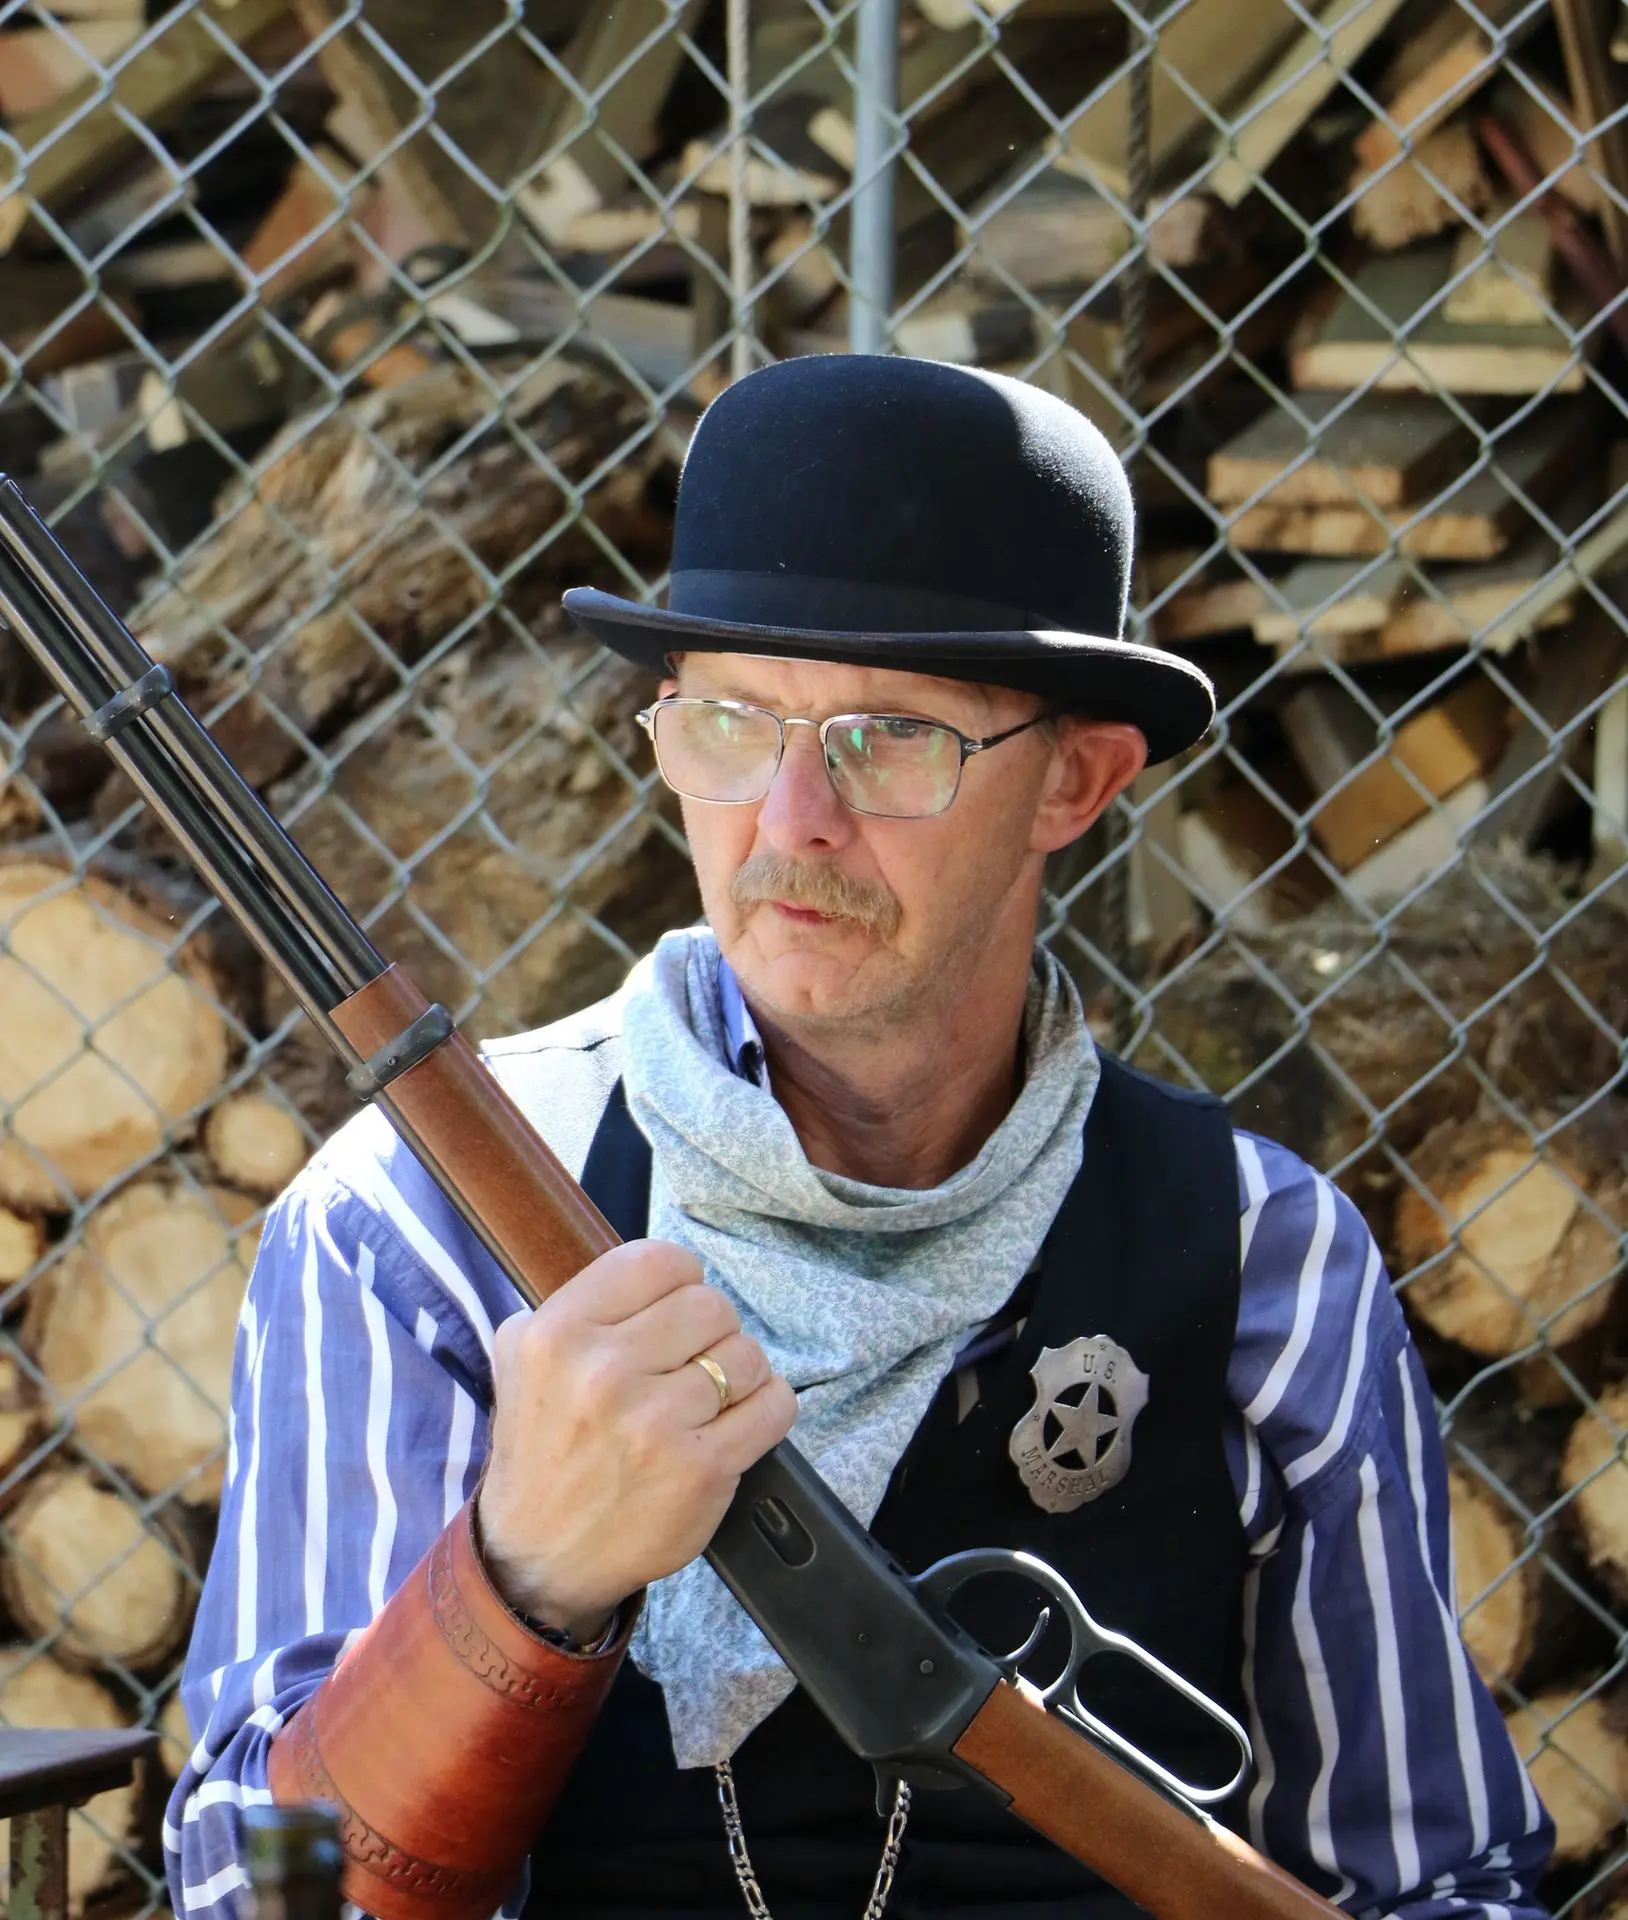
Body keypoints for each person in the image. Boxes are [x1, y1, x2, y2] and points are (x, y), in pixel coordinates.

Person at [166, 355, 1552, 1920]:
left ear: (1077, 780)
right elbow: (257, 1891)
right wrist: (518, 1578)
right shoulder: (420, 1224)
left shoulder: (1268, 1265)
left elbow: (1443, 1883)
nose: (792, 823)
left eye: (890, 736)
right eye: (731, 724)